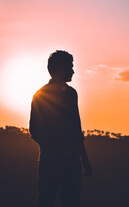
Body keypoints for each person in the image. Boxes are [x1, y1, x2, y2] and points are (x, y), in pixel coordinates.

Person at [29, 50, 93, 207]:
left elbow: (34, 130)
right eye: (70, 66)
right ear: (60, 68)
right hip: (68, 161)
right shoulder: (70, 94)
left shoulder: (39, 94)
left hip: (48, 160)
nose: (73, 70)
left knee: (45, 199)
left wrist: (48, 147)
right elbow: (76, 130)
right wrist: (84, 160)